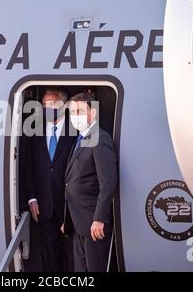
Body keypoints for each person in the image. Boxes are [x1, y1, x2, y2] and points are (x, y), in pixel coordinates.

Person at [63, 92, 118, 272]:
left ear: (93, 113)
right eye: (72, 112)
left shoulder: (100, 139)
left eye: (79, 111)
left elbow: (108, 182)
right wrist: (67, 220)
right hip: (78, 222)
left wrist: (99, 219)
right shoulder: (80, 138)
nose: (75, 117)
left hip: (93, 223)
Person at [26, 88, 77, 271]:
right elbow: (30, 168)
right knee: (49, 253)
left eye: (52, 104)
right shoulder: (34, 132)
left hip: (69, 205)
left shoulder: (76, 130)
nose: (47, 108)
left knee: (72, 252)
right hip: (44, 204)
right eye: (44, 104)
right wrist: (32, 198)